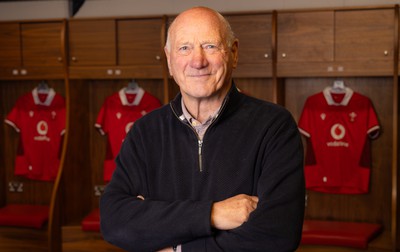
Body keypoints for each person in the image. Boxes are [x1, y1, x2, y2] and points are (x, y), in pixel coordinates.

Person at [100, 6, 305, 251]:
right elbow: (115, 221)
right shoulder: (145, 132)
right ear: (169, 60)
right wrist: (212, 214)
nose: (197, 61)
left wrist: (176, 247)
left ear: (234, 53)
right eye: (184, 48)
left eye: (210, 46)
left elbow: (276, 236)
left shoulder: (275, 127)